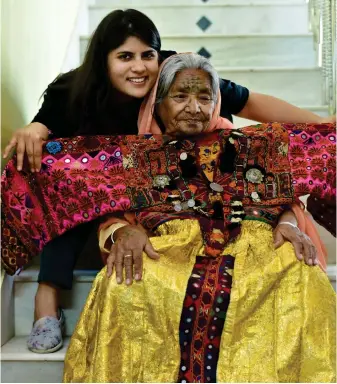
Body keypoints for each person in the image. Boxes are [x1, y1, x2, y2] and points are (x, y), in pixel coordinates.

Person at [2, 8, 333, 354]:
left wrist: (323, 124)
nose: (139, 67)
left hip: (189, 176)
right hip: (109, 183)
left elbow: (247, 101)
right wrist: (36, 129)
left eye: (148, 55)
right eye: (125, 57)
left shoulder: (176, 74)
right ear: (104, 60)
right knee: (67, 183)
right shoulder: (73, 89)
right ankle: (47, 299)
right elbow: (44, 124)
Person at [63, 53, 336, 383]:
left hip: (255, 246)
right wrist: (123, 232)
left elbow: (286, 198)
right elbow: (109, 211)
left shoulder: (253, 144)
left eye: (204, 97)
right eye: (180, 96)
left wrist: (289, 224)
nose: (193, 107)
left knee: (300, 273)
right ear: (158, 102)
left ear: (217, 102)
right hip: (169, 251)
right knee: (123, 283)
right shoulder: (136, 155)